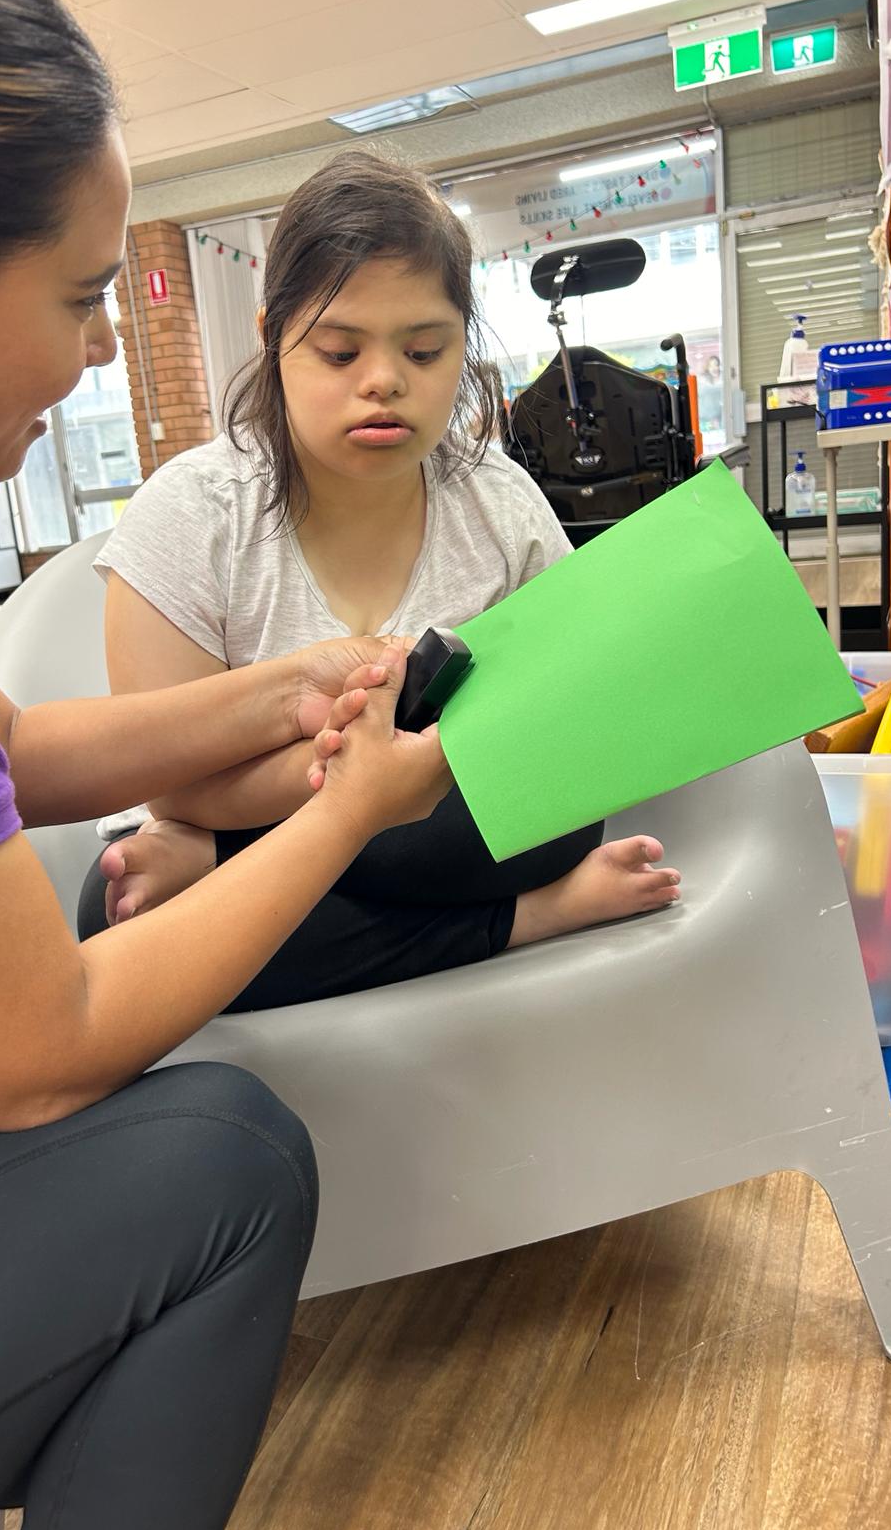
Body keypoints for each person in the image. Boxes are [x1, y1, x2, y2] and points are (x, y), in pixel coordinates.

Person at [0, 0, 451, 1530]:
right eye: (81, 297)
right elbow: (38, 1051)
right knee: (224, 1160)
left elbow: (5, 753)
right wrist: (349, 807)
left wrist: (286, 687)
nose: (97, 350)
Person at [80, 152, 681, 1008]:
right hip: (257, 827)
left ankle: (223, 865)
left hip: (418, 831)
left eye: (425, 350)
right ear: (273, 339)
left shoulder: (500, 502)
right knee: (115, 917)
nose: (384, 382)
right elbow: (173, 785)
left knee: (550, 819)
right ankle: (524, 919)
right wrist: (355, 787)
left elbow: (561, 729)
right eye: (339, 352)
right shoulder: (188, 517)